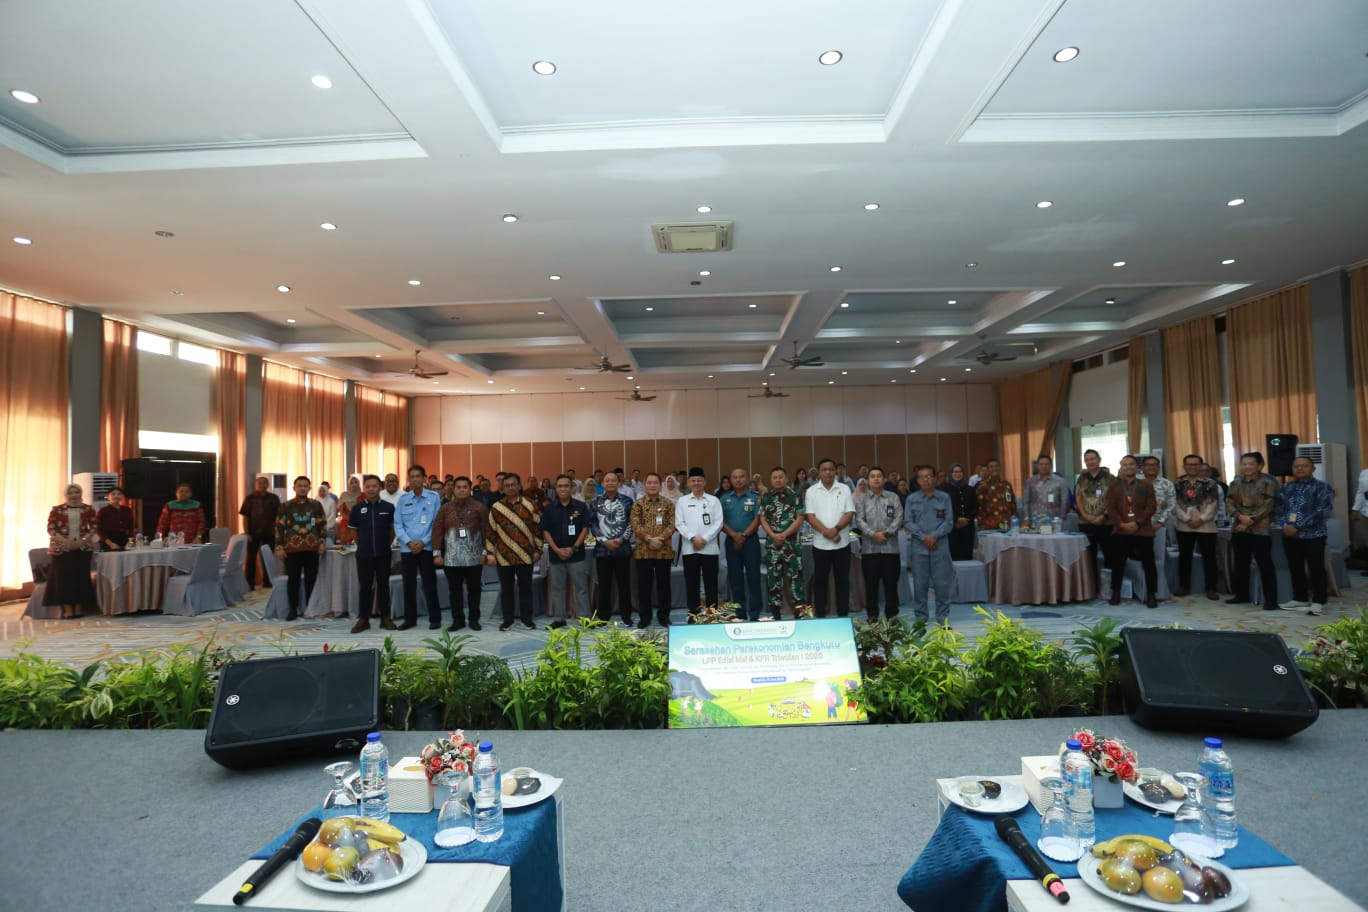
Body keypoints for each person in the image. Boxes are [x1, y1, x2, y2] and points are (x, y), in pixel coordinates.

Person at [1273, 456, 1335, 615]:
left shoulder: (1322, 487)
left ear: (1313, 468)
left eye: (1304, 466)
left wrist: (1298, 526)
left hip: (1314, 535)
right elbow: (1278, 508)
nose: (1300, 469)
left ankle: (1319, 601)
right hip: (1290, 535)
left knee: (1316, 569)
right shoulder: (1287, 487)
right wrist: (1285, 525)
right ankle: (1300, 598)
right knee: (1295, 568)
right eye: (1296, 466)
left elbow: (1322, 511)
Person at [432, 475, 490, 631]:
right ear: (453, 489)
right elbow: (437, 531)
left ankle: (474, 619)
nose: (462, 490)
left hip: (474, 557)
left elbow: (487, 531)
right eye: (458, 487)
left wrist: (485, 552)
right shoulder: (445, 509)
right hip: (451, 558)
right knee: (455, 591)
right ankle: (457, 620)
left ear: (470, 489)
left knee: (474, 590)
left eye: (465, 487)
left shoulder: (480, 508)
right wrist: (437, 553)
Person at [485, 472, 541, 630]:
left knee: (526, 589)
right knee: (506, 590)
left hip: (526, 555)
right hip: (504, 556)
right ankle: (507, 619)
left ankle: (527, 619)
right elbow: (490, 532)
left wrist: (538, 550)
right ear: (502, 487)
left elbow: (537, 528)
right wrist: (490, 553)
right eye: (507, 485)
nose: (510, 488)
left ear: (519, 486)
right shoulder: (497, 507)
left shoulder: (530, 504)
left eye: (513, 485)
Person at [1226, 451, 1279, 612]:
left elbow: (1269, 504)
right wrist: (1239, 516)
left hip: (1260, 528)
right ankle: (1241, 595)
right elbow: (1229, 501)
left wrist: (1251, 519)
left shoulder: (1268, 482)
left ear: (1259, 466)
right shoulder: (1235, 482)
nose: (1247, 467)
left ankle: (1270, 600)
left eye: (1251, 464)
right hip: (1239, 526)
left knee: (1264, 564)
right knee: (1240, 563)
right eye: (1244, 464)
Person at [394, 464, 444, 630]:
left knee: (429, 584)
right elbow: (398, 524)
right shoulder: (403, 500)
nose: (415, 479)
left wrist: (423, 542)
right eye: (412, 477)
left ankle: (434, 618)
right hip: (407, 548)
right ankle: (410, 619)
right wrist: (409, 542)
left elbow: (436, 524)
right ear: (409, 479)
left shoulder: (433, 497)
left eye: (418, 476)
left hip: (426, 548)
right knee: (408, 585)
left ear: (424, 478)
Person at [1104, 456, 1158, 608]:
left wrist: (1137, 523)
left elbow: (1151, 507)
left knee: (1149, 563)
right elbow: (1111, 508)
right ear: (1121, 467)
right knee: (1117, 563)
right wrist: (1121, 524)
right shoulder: (1114, 486)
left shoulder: (1145, 485)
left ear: (1137, 467)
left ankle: (1151, 594)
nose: (1128, 467)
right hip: (1121, 530)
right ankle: (1115, 592)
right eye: (1125, 464)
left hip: (1143, 530)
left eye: (1131, 464)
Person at [805, 457, 855, 618]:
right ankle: (820, 614)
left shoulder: (845, 489)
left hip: (842, 543)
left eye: (831, 469)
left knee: (843, 581)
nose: (828, 472)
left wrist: (836, 530)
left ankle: (843, 614)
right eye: (824, 469)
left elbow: (849, 513)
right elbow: (810, 516)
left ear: (836, 472)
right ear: (818, 473)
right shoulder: (811, 491)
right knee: (820, 581)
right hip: (820, 544)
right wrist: (827, 532)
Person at [904, 465, 954, 625]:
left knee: (942, 585)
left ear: (935, 478)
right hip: (919, 548)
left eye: (929, 476)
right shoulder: (912, 499)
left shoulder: (944, 498)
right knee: (920, 585)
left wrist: (934, 536)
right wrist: (923, 537)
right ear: (918, 480)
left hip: (940, 547)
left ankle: (943, 617)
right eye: (922, 477)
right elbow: (908, 521)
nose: (926, 480)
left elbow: (949, 522)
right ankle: (921, 617)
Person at [274, 476, 326, 621]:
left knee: (311, 579)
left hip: (312, 548)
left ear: (309, 488)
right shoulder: (285, 506)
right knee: (293, 580)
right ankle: (293, 608)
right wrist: (279, 546)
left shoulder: (316, 505)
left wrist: (322, 542)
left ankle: (311, 607)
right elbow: (279, 527)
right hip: (292, 548)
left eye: (305, 486)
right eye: (299, 486)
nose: (302, 488)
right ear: (294, 488)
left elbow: (322, 524)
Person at [348, 474, 396, 633]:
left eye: (374, 486)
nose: (371, 489)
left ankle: (386, 618)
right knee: (365, 587)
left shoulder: (389, 507)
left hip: (383, 553)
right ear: (364, 488)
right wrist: (362, 545)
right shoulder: (357, 508)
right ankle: (363, 619)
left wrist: (386, 544)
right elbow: (353, 531)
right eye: (368, 486)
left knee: (384, 586)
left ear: (380, 488)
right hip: (364, 554)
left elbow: (392, 531)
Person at [854, 466, 902, 621]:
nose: (876, 479)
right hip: (870, 550)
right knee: (871, 585)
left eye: (879, 476)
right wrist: (873, 535)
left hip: (891, 549)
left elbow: (899, 517)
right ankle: (872, 615)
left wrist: (886, 533)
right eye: (872, 476)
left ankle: (892, 615)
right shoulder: (862, 499)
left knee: (891, 584)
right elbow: (859, 520)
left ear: (884, 479)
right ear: (868, 480)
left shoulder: (893, 497)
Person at [45, 483, 98, 618]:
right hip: (61, 549)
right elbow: (51, 529)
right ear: (65, 495)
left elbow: (93, 527)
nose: (74, 495)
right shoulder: (56, 510)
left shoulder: (89, 509)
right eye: (70, 493)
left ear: (81, 494)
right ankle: (67, 608)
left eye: (76, 492)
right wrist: (66, 542)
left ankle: (79, 607)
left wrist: (81, 541)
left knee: (81, 578)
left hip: (83, 547)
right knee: (63, 579)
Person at [542, 477, 590, 628]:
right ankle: (559, 619)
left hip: (576, 554)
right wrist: (556, 550)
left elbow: (585, 528)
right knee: (557, 588)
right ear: (556, 489)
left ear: (572, 488)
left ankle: (585, 618)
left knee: (581, 588)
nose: (563, 489)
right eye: (560, 486)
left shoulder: (581, 506)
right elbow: (545, 531)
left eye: (566, 486)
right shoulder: (549, 508)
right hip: (556, 555)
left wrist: (573, 548)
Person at [1172, 454, 1222, 600]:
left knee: (1209, 558)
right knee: (1184, 557)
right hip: (1184, 526)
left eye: (1195, 464)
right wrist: (1187, 519)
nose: (1192, 467)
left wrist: (1201, 519)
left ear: (1201, 466)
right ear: (1184, 466)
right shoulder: (1177, 483)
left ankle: (1211, 588)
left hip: (1206, 526)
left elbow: (1214, 504)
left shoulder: (1210, 483)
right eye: (1189, 464)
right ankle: (1184, 586)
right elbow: (1174, 504)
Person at [630, 472, 676, 627]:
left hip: (664, 550)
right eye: (649, 482)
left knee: (664, 585)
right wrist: (649, 539)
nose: (652, 485)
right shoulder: (638, 504)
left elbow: (672, 524)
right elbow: (635, 524)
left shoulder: (668, 504)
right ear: (644, 485)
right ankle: (645, 617)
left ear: (660, 485)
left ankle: (664, 616)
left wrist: (660, 539)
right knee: (644, 586)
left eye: (655, 482)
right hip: (643, 551)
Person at [589, 471, 636, 624]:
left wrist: (621, 539)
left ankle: (626, 616)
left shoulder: (627, 501)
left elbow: (631, 523)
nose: (610, 483)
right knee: (604, 585)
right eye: (607, 480)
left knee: (624, 584)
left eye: (613, 480)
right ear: (603, 484)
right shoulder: (595, 502)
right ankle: (603, 617)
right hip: (602, 550)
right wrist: (604, 541)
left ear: (618, 483)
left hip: (622, 549)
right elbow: (593, 524)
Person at [675, 467, 724, 610]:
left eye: (699, 480)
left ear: (705, 482)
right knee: (692, 584)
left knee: (711, 584)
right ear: (689, 483)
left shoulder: (714, 500)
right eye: (693, 480)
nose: (696, 483)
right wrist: (692, 538)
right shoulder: (682, 501)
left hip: (710, 549)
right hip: (690, 549)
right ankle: (693, 615)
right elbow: (679, 523)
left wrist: (705, 539)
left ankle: (712, 615)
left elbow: (719, 522)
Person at [759, 466, 804, 620]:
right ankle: (775, 613)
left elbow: (800, 518)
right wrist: (773, 534)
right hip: (773, 544)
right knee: (773, 578)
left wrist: (784, 534)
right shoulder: (766, 497)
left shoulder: (796, 495)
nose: (778, 480)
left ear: (786, 479)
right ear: (771, 480)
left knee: (795, 578)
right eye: (774, 477)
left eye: (780, 477)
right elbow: (762, 518)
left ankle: (799, 612)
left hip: (792, 543)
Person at [720, 467, 763, 621]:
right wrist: (734, 535)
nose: (738, 480)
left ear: (746, 478)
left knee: (753, 577)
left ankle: (755, 613)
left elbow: (757, 519)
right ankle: (740, 612)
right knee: (735, 578)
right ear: (731, 480)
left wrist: (743, 535)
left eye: (741, 476)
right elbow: (721, 521)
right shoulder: (724, 498)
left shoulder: (755, 497)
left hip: (750, 541)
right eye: (735, 477)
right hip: (731, 541)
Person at [1075, 449, 1114, 589]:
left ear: (1099, 460)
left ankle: (1108, 589)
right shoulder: (1082, 478)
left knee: (1110, 555)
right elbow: (1078, 497)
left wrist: (1103, 516)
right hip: (1086, 523)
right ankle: (1091, 588)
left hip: (1106, 523)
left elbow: (1114, 499)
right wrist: (1085, 515)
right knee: (1088, 557)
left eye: (1093, 458)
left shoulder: (1110, 478)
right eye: (1087, 459)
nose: (1090, 462)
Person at [1141, 455, 1175, 602]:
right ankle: (1143, 591)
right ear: (1143, 467)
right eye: (1148, 465)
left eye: (1154, 465)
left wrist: (1160, 522)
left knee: (1158, 561)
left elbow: (1171, 505)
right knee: (1142, 559)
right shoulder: (1137, 483)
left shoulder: (1166, 484)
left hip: (1158, 527)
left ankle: (1158, 592)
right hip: (1140, 528)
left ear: (1158, 467)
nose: (1151, 467)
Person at [239, 475, 281, 589]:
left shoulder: (274, 498)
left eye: (264, 483)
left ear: (268, 485)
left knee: (268, 557)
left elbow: (279, 517)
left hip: (269, 532)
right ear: (256, 485)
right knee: (251, 558)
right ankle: (249, 583)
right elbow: (245, 517)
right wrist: (247, 533)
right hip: (253, 533)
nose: (262, 485)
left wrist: (277, 531)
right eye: (260, 483)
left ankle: (267, 581)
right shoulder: (249, 498)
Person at [940, 463, 977, 561]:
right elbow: (943, 508)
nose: (958, 474)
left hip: (968, 527)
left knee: (967, 555)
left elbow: (975, 507)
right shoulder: (944, 489)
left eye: (960, 472)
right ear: (950, 474)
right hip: (952, 527)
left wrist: (967, 519)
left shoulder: (970, 489)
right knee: (953, 556)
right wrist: (957, 519)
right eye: (955, 472)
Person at [1020, 455, 1071, 525]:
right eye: (1041, 464)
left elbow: (1065, 501)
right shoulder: (1030, 482)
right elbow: (1025, 502)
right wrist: (1026, 518)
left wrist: (1061, 519)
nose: (1044, 466)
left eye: (1046, 464)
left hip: (1054, 521)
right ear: (1037, 466)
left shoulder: (1060, 481)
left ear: (1051, 466)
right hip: (1035, 521)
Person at [975, 459, 1015, 532]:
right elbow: (978, 506)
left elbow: (1012, 504)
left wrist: (1015, 519)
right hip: (989, 526)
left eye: (996, 466)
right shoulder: (982, 486)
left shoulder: (1007, 485)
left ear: (1000, 468)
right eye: (991, 467)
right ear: (987, 469)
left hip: (1006, 524)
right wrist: (981, 523)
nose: (994, 468)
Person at [96, 486, 136, 551]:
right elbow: (99, 530)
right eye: (113, 494)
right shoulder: (103, 511)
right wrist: (110, 544)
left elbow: (131, 528)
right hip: (108, 542)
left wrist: (129, 542)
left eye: (119, 494)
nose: (116, 496)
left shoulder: (127, 510)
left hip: (124, 541)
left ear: (122, 496)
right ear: (108, 496)